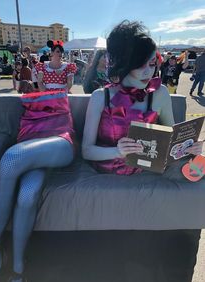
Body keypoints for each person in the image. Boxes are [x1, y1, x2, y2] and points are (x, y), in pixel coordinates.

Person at [0, 62, 76, 282]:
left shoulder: (64, 80)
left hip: (58, 140)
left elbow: (69, 86)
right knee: (27, 194)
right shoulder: (29, 85)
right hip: (31, 142)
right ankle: (18, 271)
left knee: (11, 159)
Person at [82, 20, 203, 176]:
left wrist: (188, 147)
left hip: (147, 173)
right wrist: (117, 152)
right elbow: (86, 151)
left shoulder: (160, 93)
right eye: (140, 64)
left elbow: (172, 140)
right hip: (107, 177)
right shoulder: (100, 97)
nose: (149, 72)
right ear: (122, 63)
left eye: (152, 63)